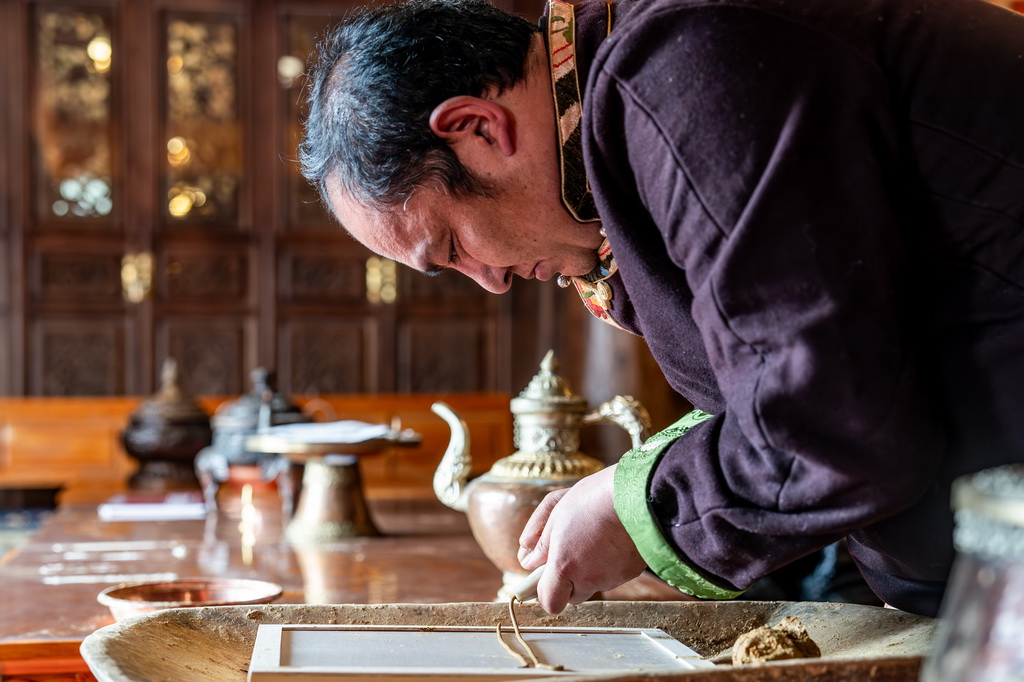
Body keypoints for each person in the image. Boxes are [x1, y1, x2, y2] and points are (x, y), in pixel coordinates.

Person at [299, 0, 1024, 618]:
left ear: (479, 129)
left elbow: (829, 424)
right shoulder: (619, 157)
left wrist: (635, 510)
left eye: (450, 244)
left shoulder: (683, 66)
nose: (487, 281)